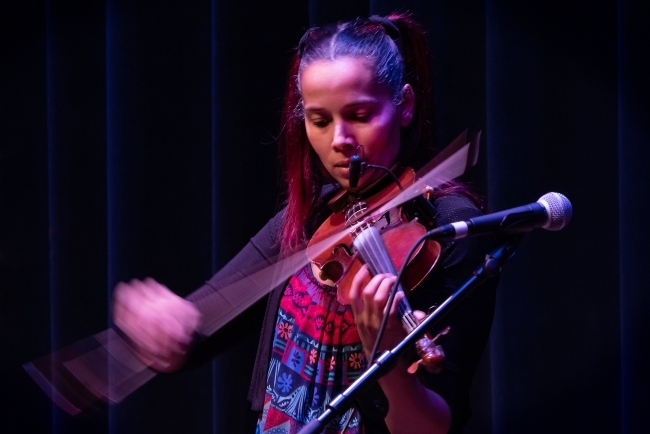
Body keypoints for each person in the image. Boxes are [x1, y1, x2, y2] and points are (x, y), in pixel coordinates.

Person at [112, 12, 497, 434]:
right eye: (320, 120)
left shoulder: (452, 228)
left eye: (361, 115)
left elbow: (431, 426)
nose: (339, 140)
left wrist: (384, 352)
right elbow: (201, 324)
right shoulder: (309, 219)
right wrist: (168, 328)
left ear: (403, 106)